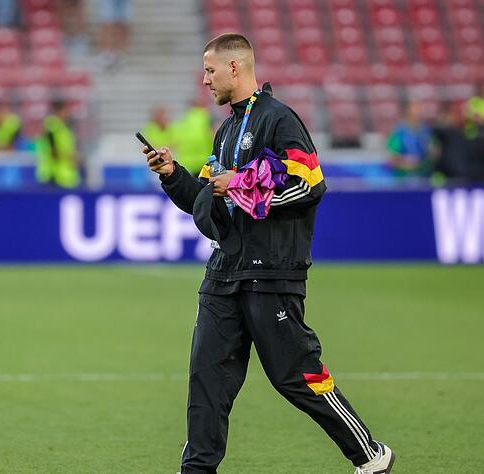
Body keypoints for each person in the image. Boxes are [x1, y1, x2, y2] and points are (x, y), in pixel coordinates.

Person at [141, 33, 394, 474]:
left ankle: (370, 454)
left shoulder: (280, 120)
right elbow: (206, 197)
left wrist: (241, 189)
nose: (204, 80)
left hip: (272, 272)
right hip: (224, 274)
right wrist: (171, 174)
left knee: (295, 376)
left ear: (235, 68)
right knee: (207, 382)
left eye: (210, 70)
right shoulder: (226, 130)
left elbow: (310, 185)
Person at [36, 100, 80, 188]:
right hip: (53, 175)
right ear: (60, 111)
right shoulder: (51, 126)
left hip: (65, 176)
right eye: (65, 111)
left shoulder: (63, 127)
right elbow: (53, 151)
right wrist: (70, 157)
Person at [386, 100, 431, 176]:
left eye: (420, 109)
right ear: (408, 112)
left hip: (424, 176)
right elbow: (392, 156)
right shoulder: (399, 132)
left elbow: (433, 152)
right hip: (403, 178)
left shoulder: (426, 131)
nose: (418, 112)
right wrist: (405, 162)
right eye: (415, 109)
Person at [173, 96, 213, 175]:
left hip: (187, 163)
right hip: (204, 162)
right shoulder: (205, 116)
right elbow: (213, 135)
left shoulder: (184, 120)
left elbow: (175, 141)